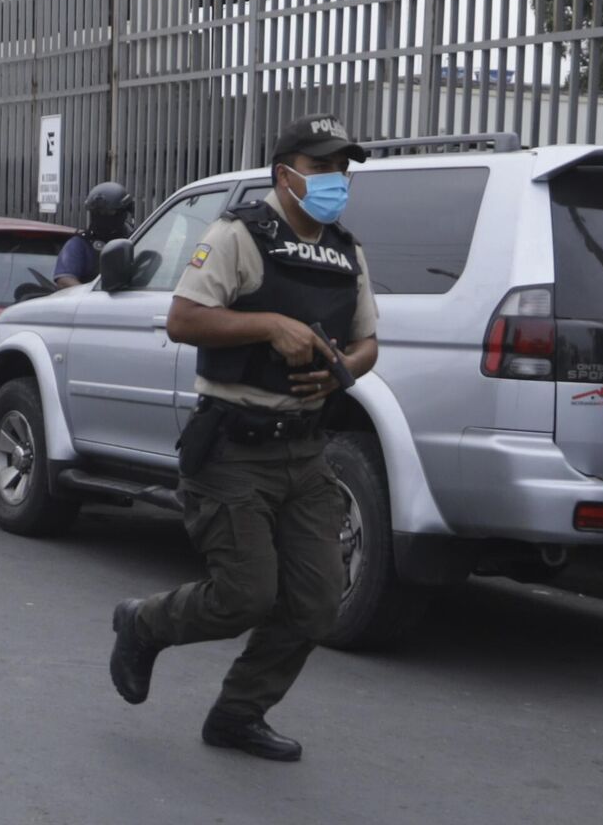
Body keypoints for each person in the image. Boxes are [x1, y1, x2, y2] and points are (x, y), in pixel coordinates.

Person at [107, 113, 380, 762]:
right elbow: (182, 319)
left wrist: (340, 371)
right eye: (321, 167)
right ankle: (143, 623)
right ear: (285, 175)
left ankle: (237, 715)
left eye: (343, 169)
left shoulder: (346, 250)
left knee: (318, 604)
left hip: (306, 450)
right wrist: (268, 325)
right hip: (233, 445)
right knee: (244, 595)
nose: (336, 179)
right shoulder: (239, 235)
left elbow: (368, 342)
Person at [53, 181, 134, 287]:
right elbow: (64, 280)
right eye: (97, 212)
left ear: (124, 212)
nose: (102, 216)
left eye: (109, 212)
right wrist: (89, 295)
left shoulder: (136, 239)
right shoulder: (80, 244)